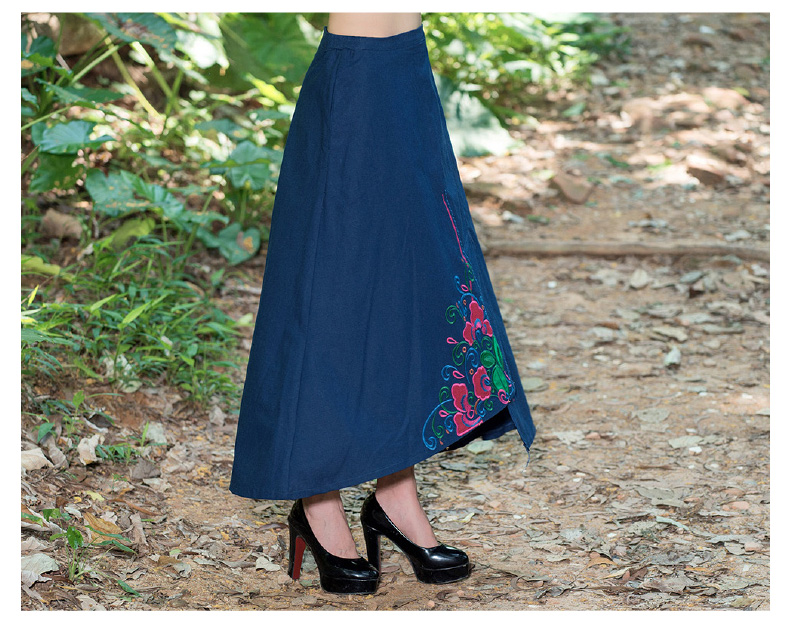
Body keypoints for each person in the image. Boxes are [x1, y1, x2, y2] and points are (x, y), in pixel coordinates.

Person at [229, 12, 536, 595]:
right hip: (353, 81)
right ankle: (318, 501)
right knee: (332, 291)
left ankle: (396, 495)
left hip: (406, 72)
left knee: (403, 290)